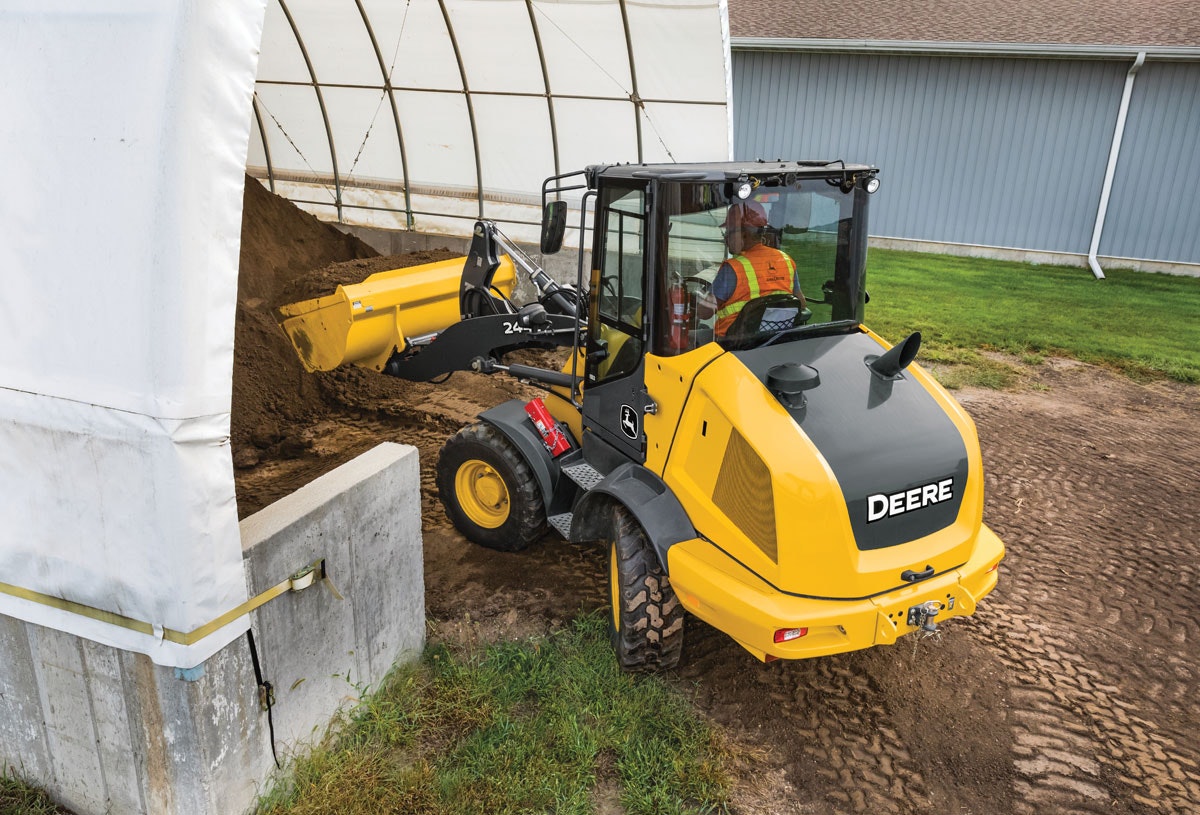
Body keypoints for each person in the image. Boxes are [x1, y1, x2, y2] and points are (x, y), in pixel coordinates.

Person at [705, 200, 805, 337]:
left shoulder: (733, 268)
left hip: (731, 345)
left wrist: (696, 300)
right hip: (773, 342)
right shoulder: (786, 261)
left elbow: (704, 313)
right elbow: (801, 304)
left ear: (744, 233)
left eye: (728, 232)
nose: (725, 239)